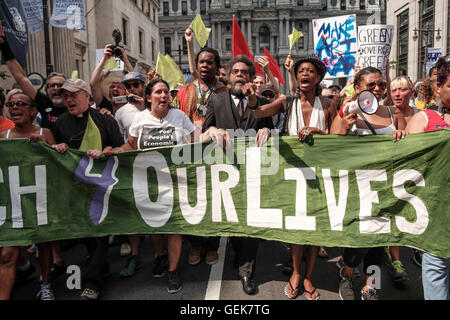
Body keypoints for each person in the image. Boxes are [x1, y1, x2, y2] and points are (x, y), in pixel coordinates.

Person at [251, 55, 337, 300]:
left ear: (318, 77)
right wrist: (250, 97)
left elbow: (339, 138)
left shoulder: (329, 103)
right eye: (301, 71)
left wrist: (318, 132)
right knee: (298, 228)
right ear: (297, 77)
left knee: (316, 230)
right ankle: (296, 273)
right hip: (294, 176)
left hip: (321, 175)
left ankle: (309, 277)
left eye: (310, 71)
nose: (305, 74)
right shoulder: (286, 101)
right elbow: (257, 113)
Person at [103, 79, 201, 294]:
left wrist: (212, 135)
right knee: (154, 226)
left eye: (166, 92)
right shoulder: (140, 119)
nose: (164, 95)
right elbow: (130, 144)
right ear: (149, 97)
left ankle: (173, 271)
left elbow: (195, 141)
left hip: (176, 182)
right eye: (159, 92)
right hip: (148, 183)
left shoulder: (180, 117)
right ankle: (162, 256)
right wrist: (116, 151)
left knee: (174, 227)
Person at [330, 66, 406, 300]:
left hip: (387, 188)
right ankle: (347, 272)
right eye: (371, 84)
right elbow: (331, 145)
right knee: (360, 239)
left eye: (381, 84)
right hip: (358, 188)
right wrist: (344, 123)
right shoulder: (347, 111)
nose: (377, 88)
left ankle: (370, 285)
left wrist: (401, 137)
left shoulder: (394, 113)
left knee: (381, 240)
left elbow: (408, 145)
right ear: (358, 87)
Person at [202, 55, 274, 295]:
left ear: (251, 78)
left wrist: (266, 129)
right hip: (227, 172)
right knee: (234, 223)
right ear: (229, 75)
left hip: (255, 172)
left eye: (245, 72)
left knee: (251, 222)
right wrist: (212, 129)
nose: (240, 75)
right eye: (236, 71)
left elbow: (274, 132)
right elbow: (204, 131)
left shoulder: (262, 101)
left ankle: (246, 270)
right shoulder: (216, 100)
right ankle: (238, 253)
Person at [51, 78, 123, 300]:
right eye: (66, 96)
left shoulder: (104, 120)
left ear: (86, 96)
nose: (68, 100)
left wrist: (109, 150)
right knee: (86, 235)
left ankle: (93, 282)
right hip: (74, 190)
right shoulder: (60, 123)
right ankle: (100, 268)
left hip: (101, 188)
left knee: (99, 232)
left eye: (73, 95)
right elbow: (52, 154)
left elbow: (121, 148)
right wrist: (57, 148)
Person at [175, 28, 228, 266]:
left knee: (214, 202)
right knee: (192, 202)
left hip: (216, 157)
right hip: (188, 156)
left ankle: (211, 245)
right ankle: (195, 244)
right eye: (201, 62)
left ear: (217, 67)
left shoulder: (224, 92)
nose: (205, 65)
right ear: (196, 65)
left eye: (210, 62)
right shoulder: (184, 91)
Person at [0, 90, 57, 300]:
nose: (14, 108)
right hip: (13, 202)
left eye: (20, 104)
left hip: (39, 199)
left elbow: (59, 165)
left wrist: (45, 147)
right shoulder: (3, 137)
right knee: (6, 254)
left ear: (33, 111)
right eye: (11, 104)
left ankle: (45, 283)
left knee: (43, 245)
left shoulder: (45, 133)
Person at [406, 56, 450, 300]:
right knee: (437, 277)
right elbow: (409, 167)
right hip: (437, 217)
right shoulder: (424, 119)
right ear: (438, 88)